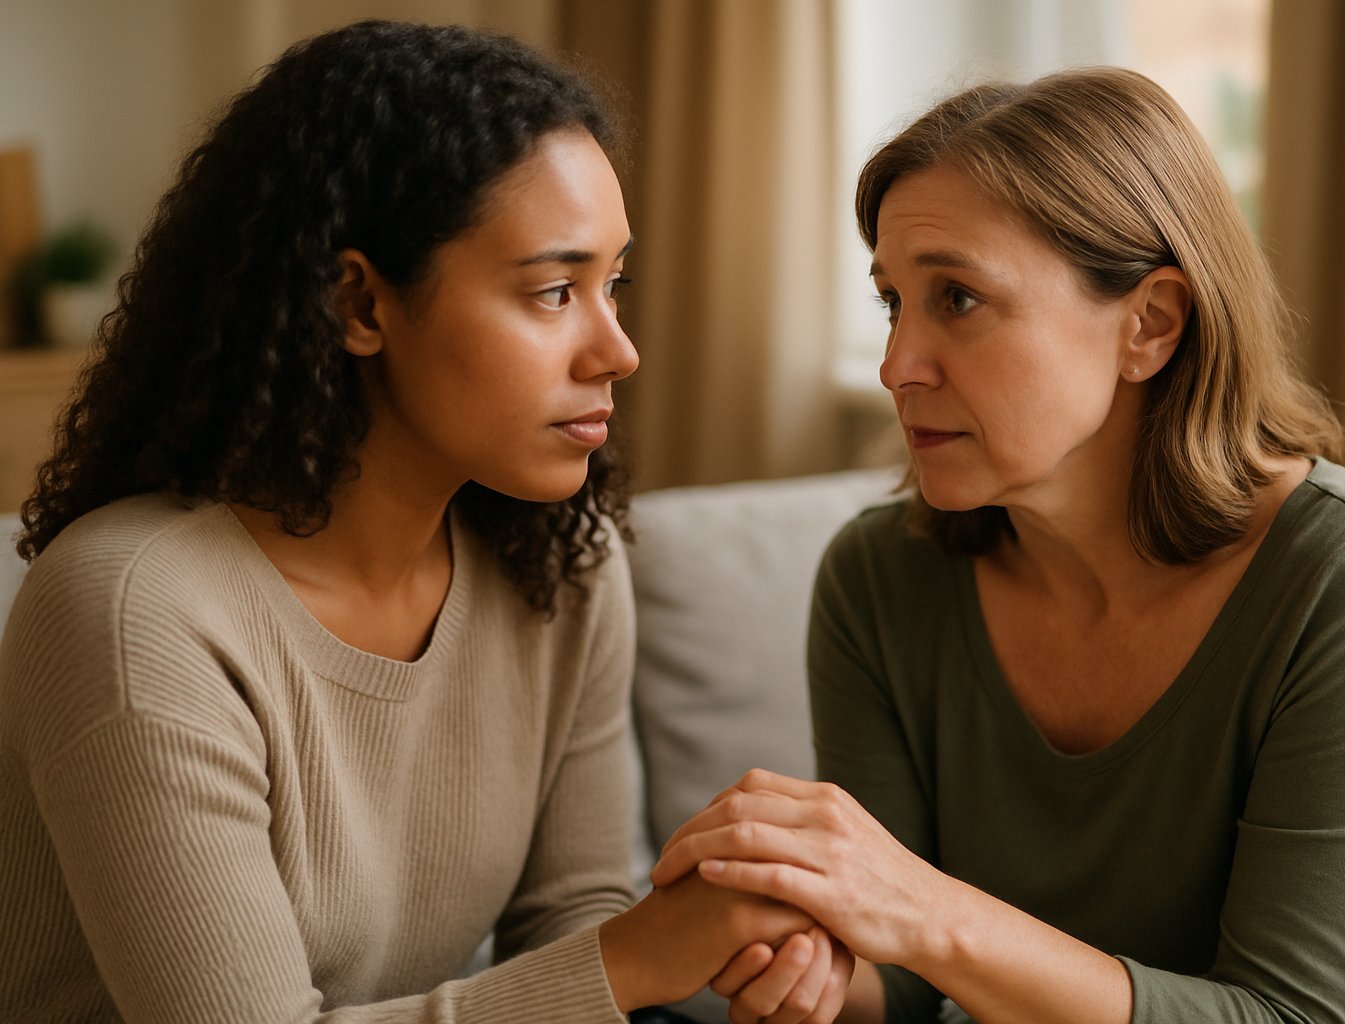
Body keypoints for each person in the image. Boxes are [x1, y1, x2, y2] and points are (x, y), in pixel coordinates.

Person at [0, 21, 849, 1024]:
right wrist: (640, 959)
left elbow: (571, 923)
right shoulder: (137, 609)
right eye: (553, 291)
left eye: (612, 284)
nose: (616, 349)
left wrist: (735, 956)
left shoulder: (563, 567)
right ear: (359, 303)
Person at [650, 68, 1345, 1023]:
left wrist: (920, 912)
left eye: (958, 299)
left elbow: (1289, 1015)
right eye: (892, 302)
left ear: (1149, 325)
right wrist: (814, 973)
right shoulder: (879, 577)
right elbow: (906, 985)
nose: (897, 365)